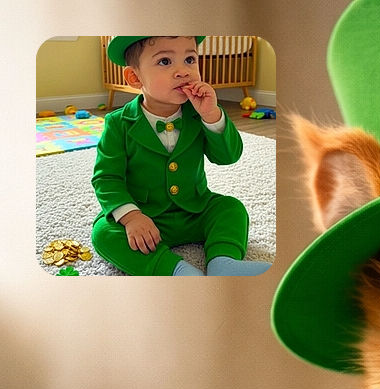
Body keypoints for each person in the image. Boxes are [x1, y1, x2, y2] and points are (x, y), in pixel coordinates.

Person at [91, 35, 270, 276]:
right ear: (135, 78)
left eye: (189, 59)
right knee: (103, 232)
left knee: (230, 208)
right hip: (146, 216)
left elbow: (228, 156)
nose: (183, 71)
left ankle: (223, 263)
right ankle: (176, 271)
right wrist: (132, 217)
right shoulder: (117, 123)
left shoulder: (199, 113)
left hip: (195, 211)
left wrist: (212, 116)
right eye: (165, 61)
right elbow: (106, 178)